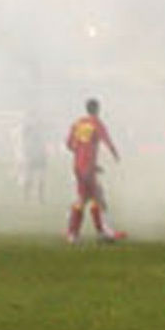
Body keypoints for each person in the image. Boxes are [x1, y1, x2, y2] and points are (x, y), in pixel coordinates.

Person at [65, 97, 127, 244]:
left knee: (89, 197)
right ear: (98, 109)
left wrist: (81, 154)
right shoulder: (96, 123)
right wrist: (115, 155)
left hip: (79, 166)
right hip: (87, 168)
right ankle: (99, 232)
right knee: (94, 198)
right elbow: (107, 140)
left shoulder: (78, 123)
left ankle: (79, 233)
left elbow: (68, 143)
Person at [19, 112, 48, 204]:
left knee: (39, 178)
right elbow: (24, 141)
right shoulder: (27, 128)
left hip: (38, 154)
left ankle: (38, 198)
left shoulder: (36, 128)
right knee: (30, 177)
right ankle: (27, 197)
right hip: (33, 154)